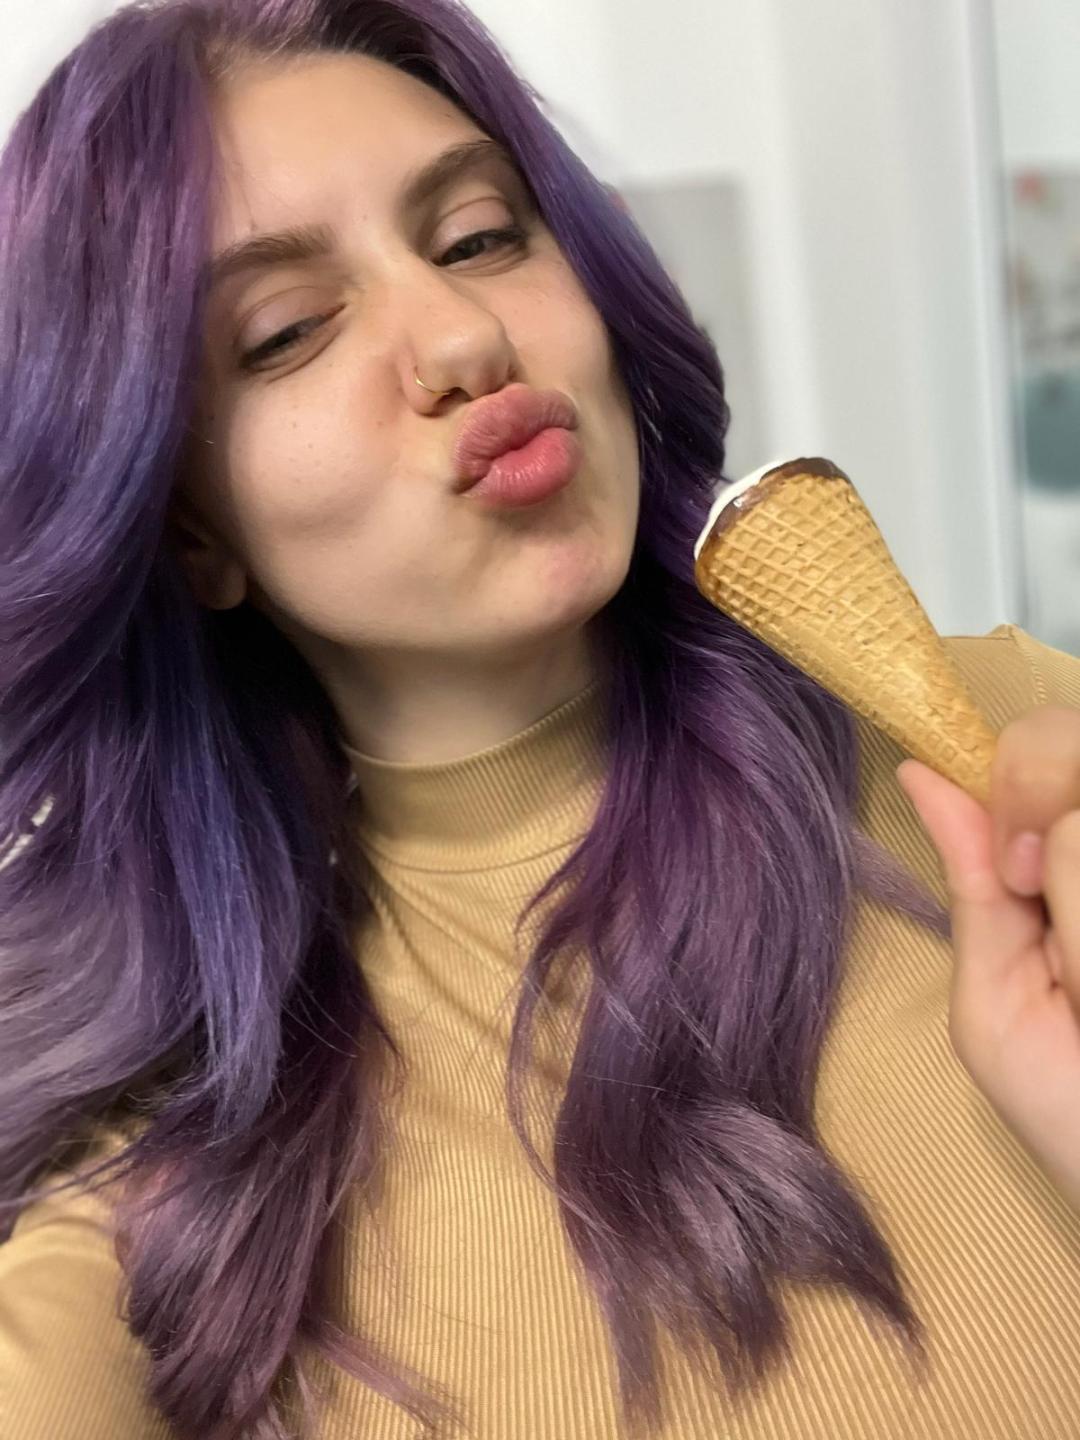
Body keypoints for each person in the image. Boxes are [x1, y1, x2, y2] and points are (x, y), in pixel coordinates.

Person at [0, 1, 1078, 1438]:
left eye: (479, 237)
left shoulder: (1011, 747)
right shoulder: (149, 1188)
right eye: (289, 329)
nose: (465, 334)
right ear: (189, 532)